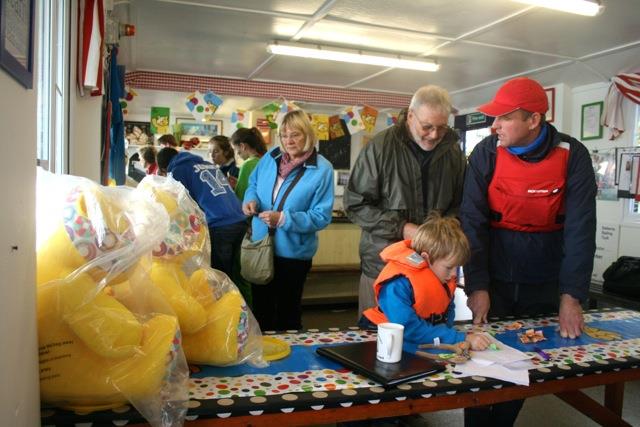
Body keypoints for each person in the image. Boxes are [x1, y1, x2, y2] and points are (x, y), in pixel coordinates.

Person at [460, 77, 597, 427]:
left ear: (534, 119)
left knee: (524, 360)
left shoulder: (573, 155)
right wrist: (477, 286)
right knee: (480, 356)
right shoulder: (486, 152)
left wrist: (572, 296)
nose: (494, 126)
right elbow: (472, 222)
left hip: (545, 277)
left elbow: (581, 229)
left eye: (504, 118)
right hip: (495, 274)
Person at [344, 85, 466, 317]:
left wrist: (441, 232)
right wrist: (402, 228)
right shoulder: (379, 148)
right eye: (427, 127)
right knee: (375, 342)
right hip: (383, 268)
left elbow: (460, 205)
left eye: (441, 127)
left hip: (433, 270)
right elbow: (356, 204)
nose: (434, 135)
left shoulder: (453, 153)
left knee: (427, 343)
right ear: (411, 116)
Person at [242, 109, 334, 331]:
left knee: (287, 315)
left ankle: (290, 364)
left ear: (308, 135)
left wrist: (283, 219)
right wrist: (250, 199)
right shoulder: (270, 157)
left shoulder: (323, 169)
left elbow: (321, 217)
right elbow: (253, 184)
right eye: (284, 135)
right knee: (260, 311)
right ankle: (262, 360)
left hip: (292, 254)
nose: (288, 141)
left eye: (295, 134)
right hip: (260, 245)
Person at [360, 213, 491, 353]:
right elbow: (408, 328)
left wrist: (449, 337)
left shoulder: (444, 279)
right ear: (426, 258)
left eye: (457, 268)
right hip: (380, 341)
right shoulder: (397, 285)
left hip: (422, 337)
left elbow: (447, 312)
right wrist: (458, 338)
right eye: (449, 267)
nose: (454, 274)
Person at [156, 147, 248, 284]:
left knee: (221, 276)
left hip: (220, 224)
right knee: (237, 273)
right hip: (240, 219)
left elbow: (179, 204)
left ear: (163, 169)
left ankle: (229, 303)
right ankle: (241, 303)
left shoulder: (178, 170)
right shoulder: (208, 164)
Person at [230, 127, 268, 201]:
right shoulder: (266, 160)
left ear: (242, 146)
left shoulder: (247, 165)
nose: (236, 153)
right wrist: (238, 183)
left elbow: (240, 197)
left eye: (235, 149)